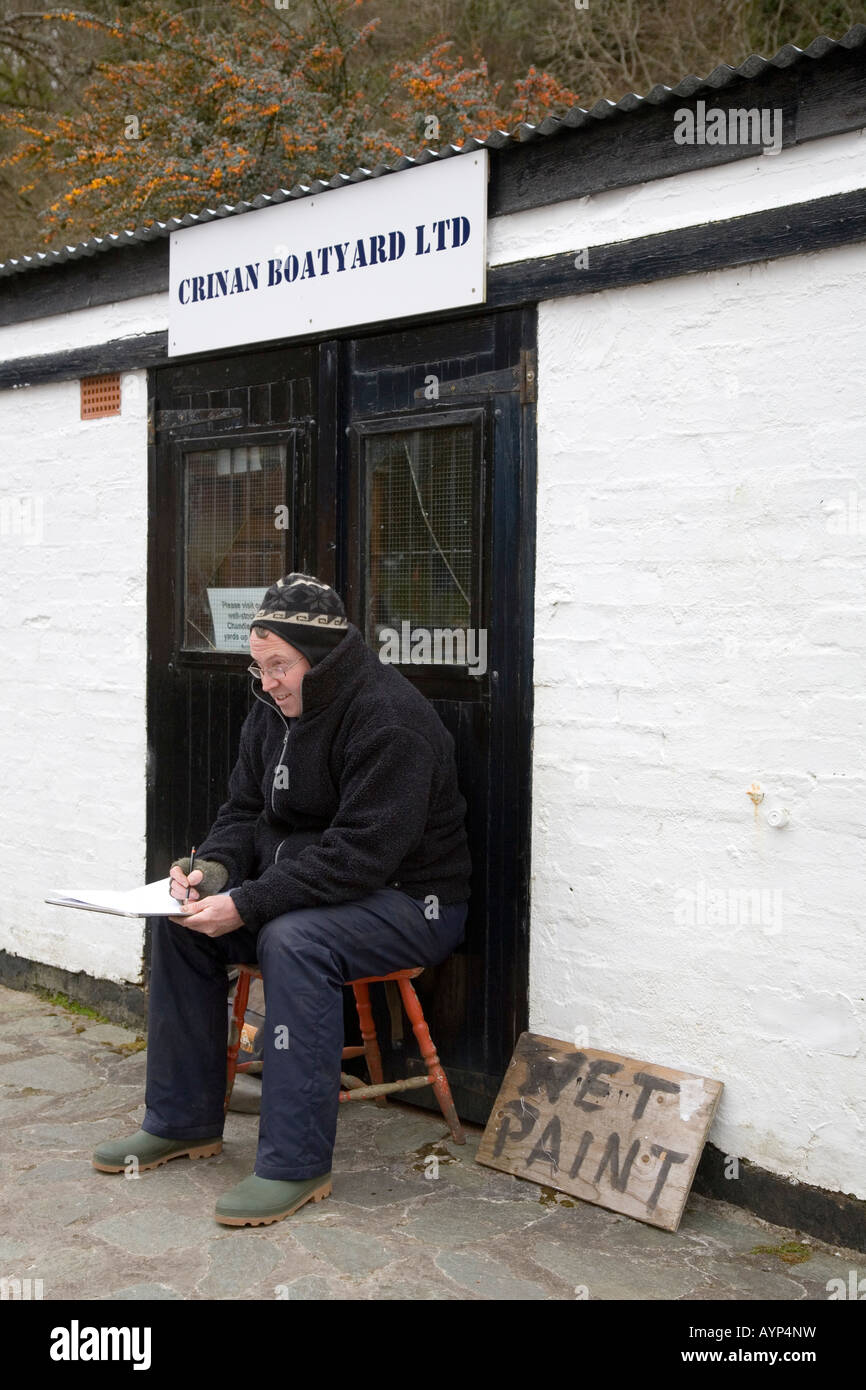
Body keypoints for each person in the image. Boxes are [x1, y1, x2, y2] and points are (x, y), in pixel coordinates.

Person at [91, 573, 472, 1227]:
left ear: (319, 661)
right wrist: (209, 873)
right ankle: (181, 1122)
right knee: (181, 923)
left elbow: (357, 859)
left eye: (279, 666)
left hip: (409, 903)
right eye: (258, 666)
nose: (266, 681)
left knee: (295, 939)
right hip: (306, 890)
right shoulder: (273, 709)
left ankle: (296, 1165)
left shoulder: (391, 719)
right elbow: (242, 811)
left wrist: (248, 903)